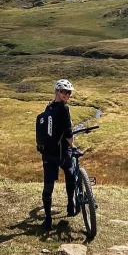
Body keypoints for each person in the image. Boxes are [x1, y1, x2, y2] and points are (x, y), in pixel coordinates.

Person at [40, 79, 76, 230]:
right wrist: (72, 145)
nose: (66, 95)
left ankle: (48, 219)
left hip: (48, 154)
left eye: (69, 92)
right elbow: (68, 132)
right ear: (57, 91)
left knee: (48, 186)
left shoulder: (48, 107)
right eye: (64, 91)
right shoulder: (64, 108)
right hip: (62, 152)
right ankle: (70, 205)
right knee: (70, 174)